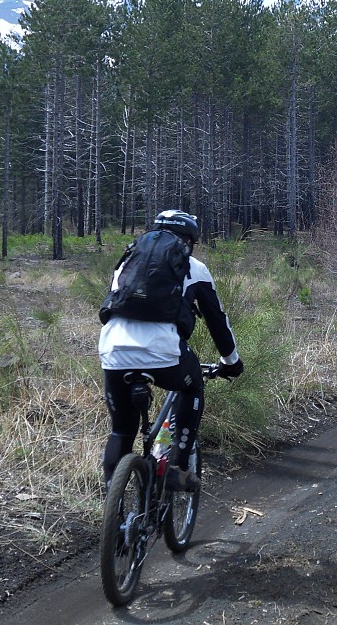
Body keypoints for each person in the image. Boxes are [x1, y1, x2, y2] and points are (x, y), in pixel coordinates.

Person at [98, 209, 244, 491]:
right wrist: (231, 363)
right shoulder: (194, 267)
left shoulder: (128, 261)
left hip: (113, 349)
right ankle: (177, 466)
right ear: (188, 240)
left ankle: (113, 513)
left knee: (121, 431)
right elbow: (217, 322)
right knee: (192, 386)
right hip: (163, 351)